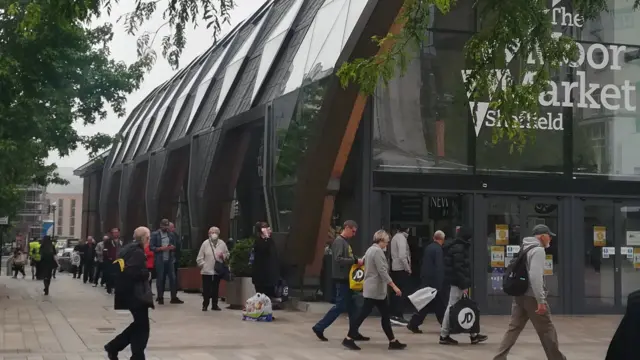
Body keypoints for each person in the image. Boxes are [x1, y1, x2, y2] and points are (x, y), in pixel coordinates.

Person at [493, 224, 565, 360]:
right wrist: (541, 301)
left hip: (519, 295)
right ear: (542, 236)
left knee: (513, 329)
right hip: (532, 297)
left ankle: (499, 357)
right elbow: (535, 276)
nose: (550, 239)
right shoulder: (538, 250)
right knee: (547, 330)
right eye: (549, 236)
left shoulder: (524, 247)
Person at [342, 230, 407, 351]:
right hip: (375, 290)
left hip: (374, 290)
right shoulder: (377, 252)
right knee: (364, 314)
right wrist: (394, 286)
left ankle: (392, 341)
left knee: (384, 315)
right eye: (386, 242)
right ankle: (349, 338)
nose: (387, 245)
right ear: (381, 240)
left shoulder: (370, 250)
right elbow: (382, 271)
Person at [312, 220, 368, 342]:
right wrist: (354, 261)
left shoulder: (345, 242)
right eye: (353, 231)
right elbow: (338, 259)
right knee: (340, 306)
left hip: (346, 278)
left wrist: (355, 260)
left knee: (353, 307)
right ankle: (319, 327)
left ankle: (353, 332)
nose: (354, 234)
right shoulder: (339, 242)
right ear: (347, 228)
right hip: (341, 279)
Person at [104, 226, 153, 360]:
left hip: (129, 294)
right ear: (144, 238)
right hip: (136, 295)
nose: (149, 240)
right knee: (142, 327)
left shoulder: (127, 249)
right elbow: (132, 272)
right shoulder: (137, 252)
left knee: (139, 325)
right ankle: (132, 354)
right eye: (148, 238)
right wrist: (146, 274)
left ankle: (116, 348)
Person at [439, 226, 488, 345]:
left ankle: (473, 334)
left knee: (465, 306)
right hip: (458, 282)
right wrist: (464, 284)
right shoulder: (459, 248)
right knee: (452, 307)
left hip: (456, 281)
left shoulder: (457, 246)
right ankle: (444, 335)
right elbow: (459, 268)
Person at [407, 230, 447, 333]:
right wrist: (440, 282)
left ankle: (413, 323)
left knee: (427, 304)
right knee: (439, 305)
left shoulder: (428, 247)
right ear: (442, 240)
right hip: (434, 282)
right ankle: (445, 325)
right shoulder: (438, 250)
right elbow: (439, 267)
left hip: (427, 279)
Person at [150, 219, 183, 305]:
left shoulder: (171, 234)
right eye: (164, 225)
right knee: (160, 279)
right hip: (160, 260)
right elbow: (151, 247)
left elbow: (175, 245)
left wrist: (172, 247)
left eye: (167, 225)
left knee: (173, 278)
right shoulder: (155, 234)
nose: (166, 227)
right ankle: (160, 297)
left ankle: (174, 297)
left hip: (170, 259)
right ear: (160, 225)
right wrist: (161, 248)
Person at [196, 226, 230, 311]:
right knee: (206, 289)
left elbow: (227, 254)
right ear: (209, 234)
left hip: (217, 270)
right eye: (212, 232)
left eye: (215, 232)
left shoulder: (222, 243)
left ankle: (215, 305)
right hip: (206, 271)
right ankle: (205, 304)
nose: (214, 234)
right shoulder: (205, 243)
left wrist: (223, 256)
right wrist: (204, 265)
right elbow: (199, 258)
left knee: (215, 288)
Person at [389, 226, 412, 325]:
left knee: (396, 292)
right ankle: (398, 315)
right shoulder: (402, 238)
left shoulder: (395, 237)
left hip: (395, 268)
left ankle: (394, 314)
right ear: (407, 230)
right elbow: (403, 255)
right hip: (401, 269)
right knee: (401, 293)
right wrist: (408, 268)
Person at [251, 222, 279, 298]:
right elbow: (262, 250)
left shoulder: (271, 241)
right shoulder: (258, 241)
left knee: (269, 295)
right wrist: (266, 238)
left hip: (270, 275)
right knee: (260, 295)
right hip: (260, 275)